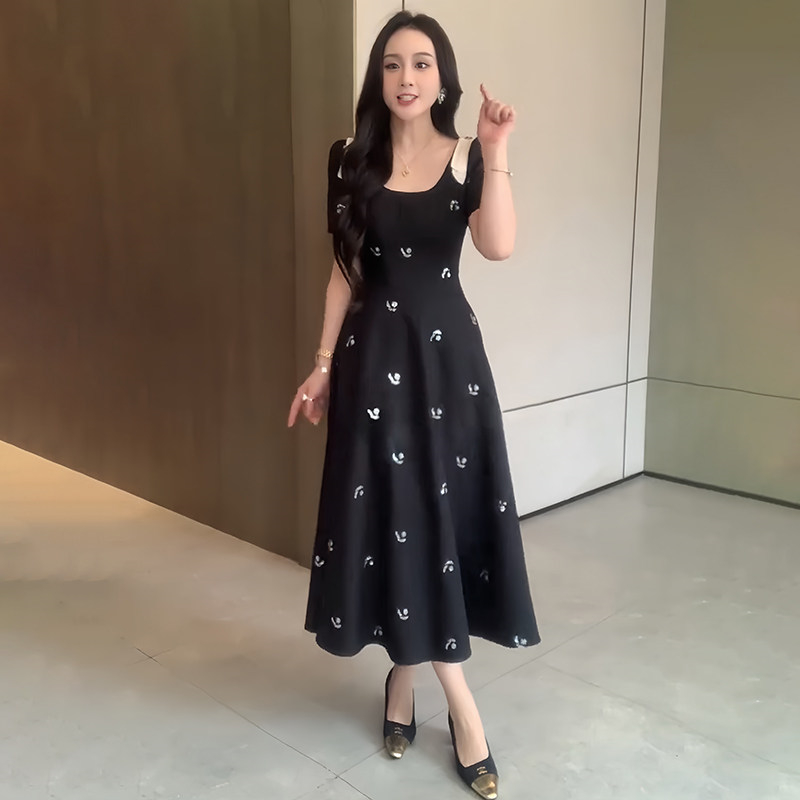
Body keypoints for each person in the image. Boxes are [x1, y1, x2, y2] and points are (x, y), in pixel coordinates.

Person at [288, 11, 539, 799]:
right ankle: (463, 711)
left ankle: (406, 677)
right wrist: (321, 365)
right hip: (371, 371)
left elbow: (498, 246)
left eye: (422, 63)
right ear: (378, 76)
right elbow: (344, 272)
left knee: (435, 522)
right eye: (393, 63)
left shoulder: (467, 155)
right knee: (399, 518)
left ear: (442, 77)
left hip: (447, 370)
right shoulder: (348, 159)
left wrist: (496, 151)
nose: (406, 78)